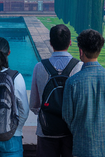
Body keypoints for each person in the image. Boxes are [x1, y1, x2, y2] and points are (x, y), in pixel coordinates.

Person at [62, 29, 105, 157]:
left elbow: (67, 115)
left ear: (81, 51)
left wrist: (78, 131)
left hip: (83, 145)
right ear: (99, 50)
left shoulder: (72, 82)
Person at [30, 24, 82, 157]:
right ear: (70, 43)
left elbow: (34, 105)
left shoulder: (39, 67)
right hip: (71, 130)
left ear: (51, 43)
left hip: (46, 130)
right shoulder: (79, 66)